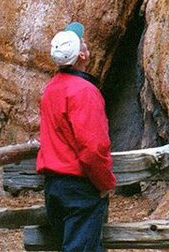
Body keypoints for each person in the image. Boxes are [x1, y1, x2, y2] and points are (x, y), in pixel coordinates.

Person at [37, 21, 115, 251]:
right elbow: (93, 147)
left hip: (54, 187)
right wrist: (105, 182)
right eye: (82, 41)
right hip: (79, 189)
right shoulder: (84, 92)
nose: (85, 41)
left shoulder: (51, 89)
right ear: (81, 55)